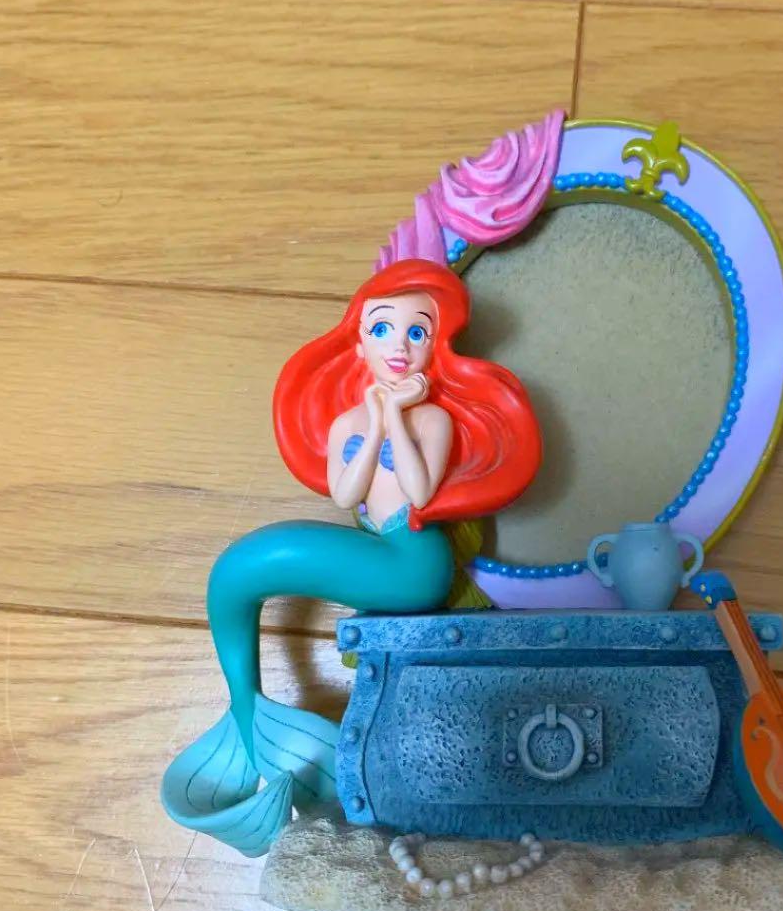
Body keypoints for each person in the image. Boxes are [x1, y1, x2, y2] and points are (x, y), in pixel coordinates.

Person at [162, 258, 540, 854]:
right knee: (237, 572)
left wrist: (393, 418)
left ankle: (251, 727)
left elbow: (419, 490)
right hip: (379, 549)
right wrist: (374, 423)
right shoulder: (345, 425)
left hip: (413, 561)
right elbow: (345, 493)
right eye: (383, 328)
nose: (400, 345)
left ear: (435, 347)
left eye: (418, 332)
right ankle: (247, 718)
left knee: (243, 567)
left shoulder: (434, 418)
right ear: (360, 343)